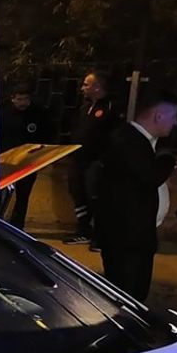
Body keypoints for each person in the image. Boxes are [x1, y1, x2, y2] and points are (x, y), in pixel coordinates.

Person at [94, 87, 177, 303]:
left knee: (134, 294)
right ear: (158, 115)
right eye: (174, 116)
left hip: (135, 238)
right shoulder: (128, 139)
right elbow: (151, 176)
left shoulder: (138, 140)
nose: (176, 123)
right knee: (128, 298)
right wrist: (168, 158)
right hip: (126, 240)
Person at [65, 71, 118, 247]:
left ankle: (99, 236)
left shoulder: (110, 108)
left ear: (97, 87)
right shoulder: (84, 107)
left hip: (96, 161)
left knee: (95, 197)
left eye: (86, 84)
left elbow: (113, 137)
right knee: (77, 193)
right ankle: (83, 230)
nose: (82, 88)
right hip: (78, 159)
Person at [0, 82, 56, 229]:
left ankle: (17, 226)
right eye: (19, 99)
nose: (23, 103)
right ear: (12, 99)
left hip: (28, 161)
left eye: (26, 99)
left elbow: (47, 135)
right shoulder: (3, 113)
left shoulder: (38, 113)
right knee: (0, 193)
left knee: (23, 196)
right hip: (5, 160)